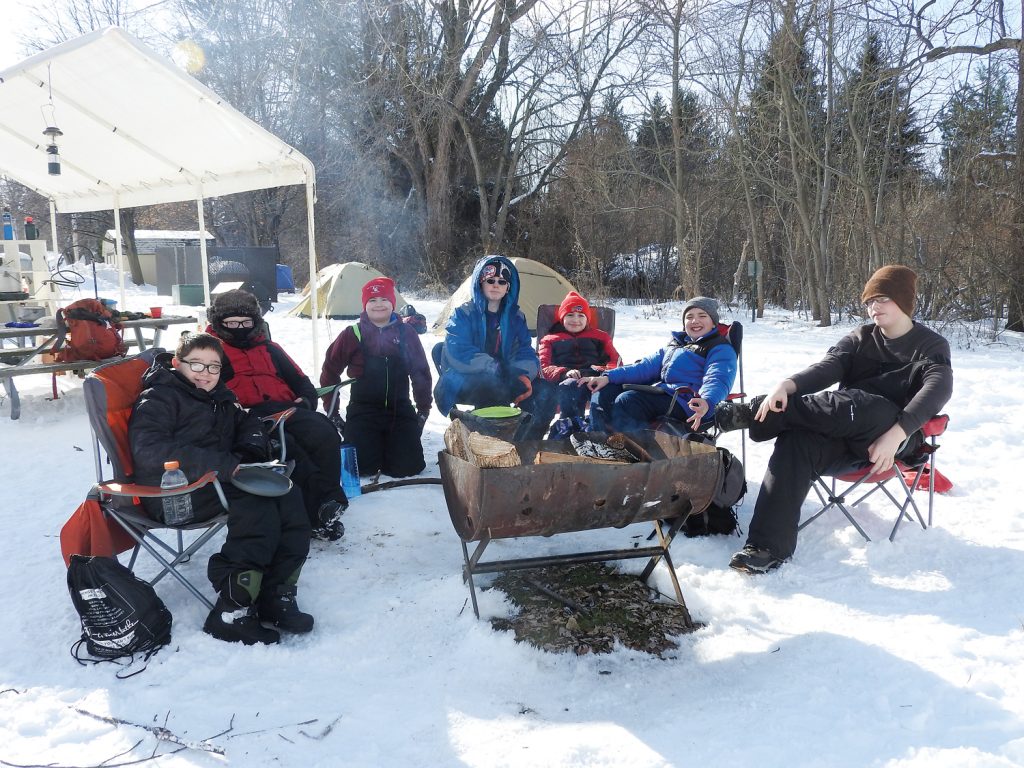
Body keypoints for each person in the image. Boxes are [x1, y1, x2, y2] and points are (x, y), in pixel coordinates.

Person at [715, 265, 954, 574]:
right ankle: (765, 547)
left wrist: (897, 434)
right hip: (843, 434)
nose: (873, 307)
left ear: (904, 301)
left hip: (891, 440)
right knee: (796, 440)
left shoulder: (931, 346)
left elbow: (938, 390)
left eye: (882, 299)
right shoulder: (861, 337)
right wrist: (788, 386)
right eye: (869, 301)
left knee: (866, 403)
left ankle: (754, 414)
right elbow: (828, 368)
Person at [128, 333, 313, 645]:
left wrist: (252, 450)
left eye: (214, 367)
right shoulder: (160, 397)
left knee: (288, 493)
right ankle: (233, 610)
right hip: (174, 491)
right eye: (196, 364)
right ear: (177, 364)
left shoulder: (219, 396)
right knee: (258, 505)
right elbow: (150, 448)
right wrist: (228, 466)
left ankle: (275, 594)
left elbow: (245, 419)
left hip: (215, 479)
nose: (205, 373)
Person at [207, 289, 347, 542]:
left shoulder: (270, 349)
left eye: (246, 322)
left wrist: (304, 401)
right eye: (231, 323)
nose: (239, 328)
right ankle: (320, 510)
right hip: (245, 416)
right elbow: (204, 389)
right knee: (288, 447)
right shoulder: (210, 351)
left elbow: (302, 381)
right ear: (219, 323)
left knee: (324, 432)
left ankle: (329, 504)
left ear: (255, 322)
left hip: (287, 409)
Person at [432, 255, 556, 440]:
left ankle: (524, 444)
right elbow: (458, 351)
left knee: (546, 394)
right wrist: (496, 367)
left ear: (508, 287)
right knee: (491, 386)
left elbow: (524, 351)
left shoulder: (516, 317)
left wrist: (522, 375)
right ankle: (486, 445)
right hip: (465, 380)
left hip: (507, 377)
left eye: (502, 281)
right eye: (490, 280)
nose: (496, 285)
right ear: (480, 283)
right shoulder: (463, 314)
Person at [320, 276, 433, 478]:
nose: (378, 304)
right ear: (365, 305)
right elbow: (330, 372)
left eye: (384, 299)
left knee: (409, 467)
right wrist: (333, 413)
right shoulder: (352, 333)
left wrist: (423, 409)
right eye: (372, 300)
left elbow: (420, 372)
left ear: (393, 303)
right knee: (360, 468)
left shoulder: (407, 333)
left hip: (400, 409)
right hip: (363, 410)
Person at [580, 297, 737, 435]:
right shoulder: (675, 346)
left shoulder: (719, 348)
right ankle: (598, 438)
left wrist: (707, 401)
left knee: (629, 400)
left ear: (713, 322)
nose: (695, 321)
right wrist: (608, 377)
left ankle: (630, 448)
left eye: (702, 316)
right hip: (665, 393)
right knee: (605, 390)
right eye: (689, 317)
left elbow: (718, 378)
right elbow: (644, 368)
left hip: (690, 402)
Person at [538, 291, 620, 424]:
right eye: (570, 315)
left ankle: (600, 431)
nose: (575, 320)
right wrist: (564, 372)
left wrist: (603, 374)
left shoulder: (600, 336)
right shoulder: (549, 339)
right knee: (570, 387)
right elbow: (543, 366)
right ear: (562, 317)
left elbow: (615, 361)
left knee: (605, 392)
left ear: (587, 318)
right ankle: (570, 428)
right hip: (567, 381)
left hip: (595, 377)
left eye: (581, 315)